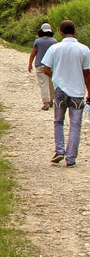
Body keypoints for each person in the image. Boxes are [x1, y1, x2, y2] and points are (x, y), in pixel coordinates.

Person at [40, 20, 90, 167]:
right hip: (77, 92)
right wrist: (89, 91)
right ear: (75, 32)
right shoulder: (84, 50)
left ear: (61, 33)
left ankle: (60, 150)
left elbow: (46, 69)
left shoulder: (55, 48)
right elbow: (87, 73)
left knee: (58, 121)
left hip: (60, 90)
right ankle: (71, 158)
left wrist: (56, 77)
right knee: (75, 125)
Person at [28, 22, 57, 110]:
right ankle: (51, 100)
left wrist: (30, 64)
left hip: (40, 65)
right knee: (51, 83)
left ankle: (46, 102)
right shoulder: (54, 41)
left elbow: (33, 54)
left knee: (43, 84)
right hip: (51, 65)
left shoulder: (38, 41)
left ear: (41, 31)